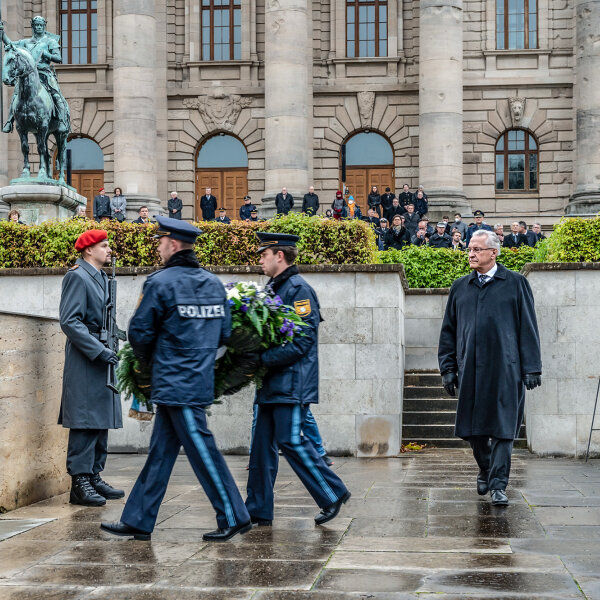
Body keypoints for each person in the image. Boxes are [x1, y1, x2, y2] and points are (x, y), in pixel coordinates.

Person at [101, 216, 252, 541]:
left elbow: (138, 333)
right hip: (195, 380)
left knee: (202, 449)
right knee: (160, 453)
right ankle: (139, 519)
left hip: (173, 381)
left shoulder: (160, 282)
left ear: (172, 244)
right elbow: (225, 333)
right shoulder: (213, 283)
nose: (158, 247)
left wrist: (148, 365)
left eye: (160, 242)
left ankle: (233, 514)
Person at [246, 232, 351, 527]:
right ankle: (257, 509)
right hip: (273, 383)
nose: (260, 260)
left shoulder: (298, 289)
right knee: (261, 447)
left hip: (291, 384)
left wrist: (260, 360)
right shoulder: (274, 288)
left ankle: (333, 492)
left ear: (279, 255)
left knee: (291, 441)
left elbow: (303, 340)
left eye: (263, 254)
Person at [438, 230, 542, 506]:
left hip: (506, 371)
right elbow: (448, 331)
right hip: (470, 370)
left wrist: (532, 367)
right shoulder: (460, 287)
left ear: (493, 253)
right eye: (469, 249)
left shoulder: (516, 283)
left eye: (477, 249)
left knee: (504, 429)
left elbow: (528, 327)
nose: (470, 253)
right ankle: (485, 468)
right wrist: (448, 368)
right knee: (473, 431)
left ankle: (498, 485)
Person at [59, 230, 124, 507]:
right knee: (85, 419)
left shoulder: (101, 277)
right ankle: (80, 482)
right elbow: (70, 321)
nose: (109, 250)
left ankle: (94, 475)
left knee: (100, 417)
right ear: (88, 250)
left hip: (101, 354)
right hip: (87, 359)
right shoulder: (77, 276)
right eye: (104, 246)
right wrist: (98, 350)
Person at [1, 16, 69, 134]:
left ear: (44, 27)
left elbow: (58, 58)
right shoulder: (25, 42)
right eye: (36, 25)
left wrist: (48, 55)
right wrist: (2, 33)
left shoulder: (50, 41)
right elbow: (11, 45)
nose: (38, 27)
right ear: (32, 27)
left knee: (56, 94)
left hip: (44, 73)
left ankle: (62, 120)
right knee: (16, 94)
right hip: (28, 76)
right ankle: (9, 121)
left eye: (40, 25)